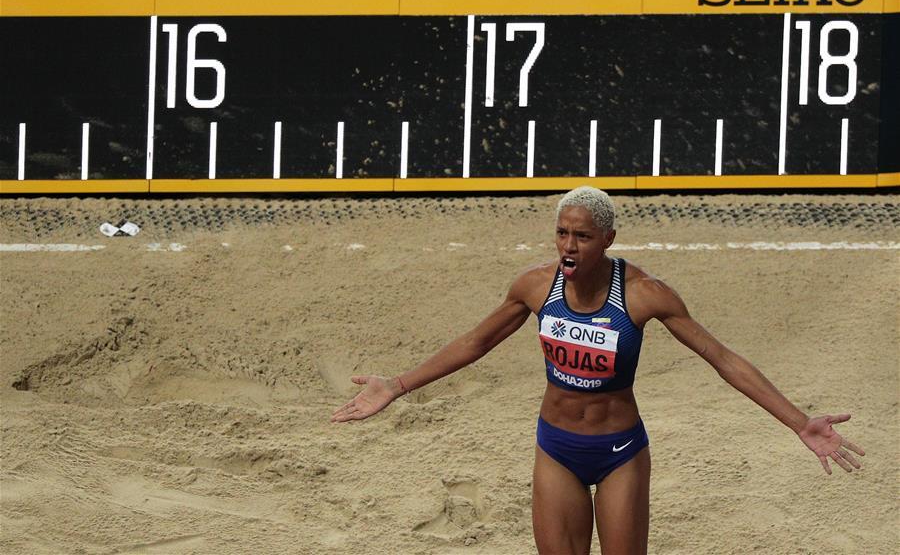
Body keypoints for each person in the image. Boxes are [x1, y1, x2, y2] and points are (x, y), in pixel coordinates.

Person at [331, 186, 865, 554]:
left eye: (582, 236)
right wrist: (397, 386)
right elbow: (477, 341)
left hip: (619, 454)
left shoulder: (643, 294)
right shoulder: (536, 286)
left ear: (607, 239)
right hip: (556, 448)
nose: (568, 245)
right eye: (562, 233)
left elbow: (722, 358)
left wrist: (798, 422)